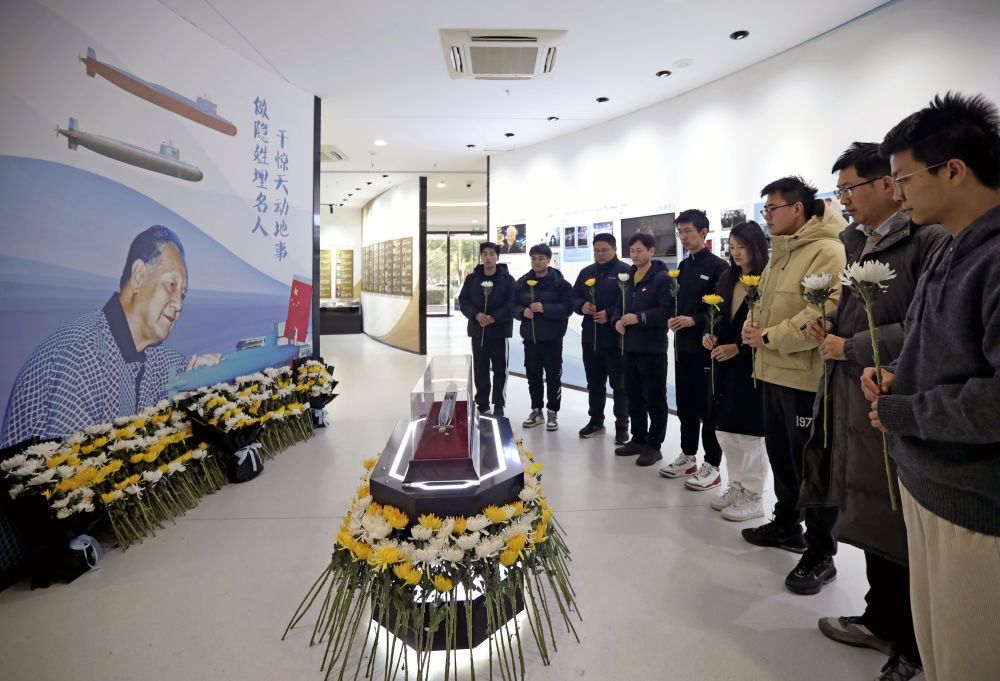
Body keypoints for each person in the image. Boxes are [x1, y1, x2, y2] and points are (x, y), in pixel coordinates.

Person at [863, 93, 1000, 681]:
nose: (897, 193)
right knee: (940, 653)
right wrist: (900, 375)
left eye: (903, 178)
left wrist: (905, 409)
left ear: (954, 170)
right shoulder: (951, 247)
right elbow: (947, 353)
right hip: (928, 487)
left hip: (975, 509)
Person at [799, 142, 947, 681]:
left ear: (886, 183)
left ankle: (914, 647)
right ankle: (880, 618)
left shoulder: (929, 239)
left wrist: (853, 346)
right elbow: (857, 312)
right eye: (838, 190)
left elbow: (930, 326)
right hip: (854, 394)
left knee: (902, 526)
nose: (843, 200)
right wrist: (829, 326)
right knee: (869, 514)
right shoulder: (856, 241)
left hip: (895, 399)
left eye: (849, 189)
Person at [1, 225, 220, 446]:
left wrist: (198, 391)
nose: (178, 304)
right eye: (171, 285)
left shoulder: (163, 360)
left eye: (183, 295)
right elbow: (78, 463)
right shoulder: (79, 353)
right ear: (138, 276)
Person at [740, 176, 847, 595]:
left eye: (772, 209)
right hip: (771, 371)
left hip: (805, 377)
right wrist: (752, 328)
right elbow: (764, 302)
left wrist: (768, 337)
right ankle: (787, 524)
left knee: (812, 467)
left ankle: (821, 553)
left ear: (797, 209)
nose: (766, 216)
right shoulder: (781, 253)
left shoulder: (828, 250)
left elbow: (821, 314)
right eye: (765, 209)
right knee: (782, 457)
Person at [701, 221, 770, 521]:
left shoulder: (766, 280)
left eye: (742, 246)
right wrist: (709, 333)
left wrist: (738, 349)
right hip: (723, 365)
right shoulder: (727, 277)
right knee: (726, 430)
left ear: (756, 247)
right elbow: (715, 315)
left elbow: (767, 328)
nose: (736, 252)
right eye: (732, 246)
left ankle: (754, 495)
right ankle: (738, 486)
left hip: (752, 367)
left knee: (749, 434)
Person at [661, 209, 728, 486]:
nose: (684, 237)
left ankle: (712, 465)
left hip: (705, 348)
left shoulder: (718, 267)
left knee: (708, 408)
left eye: (688, 231)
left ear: (703, 232)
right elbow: (677, 303)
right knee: (685, 405)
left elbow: (720, 308)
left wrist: (695, 320)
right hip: (682, 347)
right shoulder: (684, 265)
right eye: (680, 232)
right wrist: (673, 318)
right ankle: (688, 457)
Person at [612, 233, 672, 467]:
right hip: (628, 347)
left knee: (654, 398)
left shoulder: (662, 278)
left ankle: (654, 446)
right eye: (632, 251)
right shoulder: (627, 277)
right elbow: (618, 307)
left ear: (651, 251)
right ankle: (638, 439)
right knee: (633, 396)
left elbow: (666, 311)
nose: (635, 255)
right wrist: (617, 321)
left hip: (652, 349)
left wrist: (639, 317)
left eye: (639, 250)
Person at [570, 233, 632, 444]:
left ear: (614, 249)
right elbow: (573, 297)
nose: (600, 254)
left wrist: (611, 314)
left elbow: (630, 300)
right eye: (596, 250)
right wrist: (582, 306)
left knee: (620, 385)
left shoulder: (625, 271)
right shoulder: (587, 272)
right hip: (590, 338)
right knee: (594, 383)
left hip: (616, 339)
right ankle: (596, 421)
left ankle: (622, 427)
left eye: (604, 250)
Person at [511, 244, 572, 431]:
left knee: (553, 377)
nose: (536, 262)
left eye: (541, 258)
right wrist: (522, 312)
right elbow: (512, 305)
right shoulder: (522, 282)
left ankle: (553, 412)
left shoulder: (560, 283)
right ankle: (536, 411)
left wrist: (545, 308)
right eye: (533, 258)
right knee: (533, 376)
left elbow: (567, 309)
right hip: (530, 339)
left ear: (548, 260)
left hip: (552, 340)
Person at [457, 241, 516, 417]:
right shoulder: (472, 279)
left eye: (492, 254)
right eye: (485, 254)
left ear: (497, 257)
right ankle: (482, 404)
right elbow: (464, 301)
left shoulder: (507, 279)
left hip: (499, 332)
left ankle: (499, 404)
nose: (488, 257)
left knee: (500, 369)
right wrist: (476, 314)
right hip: (478, 331)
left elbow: (511, 303)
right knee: (480, 369)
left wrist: (493, 317)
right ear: (481, 256)